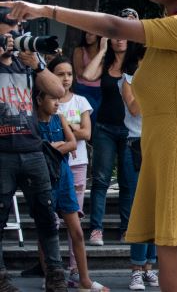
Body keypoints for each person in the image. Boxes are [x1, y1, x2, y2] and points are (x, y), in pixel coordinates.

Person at [0, 0, 177, 292]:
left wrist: (45, 9)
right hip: (162, 153)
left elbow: (113, 26)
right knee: (173, 279)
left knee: (175, 281)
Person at [0, 13, 68, 291]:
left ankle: (55, 273)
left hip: (31, 148)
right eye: (10, 30)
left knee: (45, 214)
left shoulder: (26, 62)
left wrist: (38, 65)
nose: (15, 36)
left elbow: (57, 91)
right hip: (2, 153)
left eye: (18, 30)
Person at [36, 88, 109, 292]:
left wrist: (50, 147)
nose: (57, 103)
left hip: (65, 178)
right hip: (43, 180)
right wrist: (56, 147)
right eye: (52, 98)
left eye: (59, 99)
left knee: (76, 230)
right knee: (47, 230)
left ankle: (84, 279)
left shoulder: (59, 118)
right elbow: (34, 149)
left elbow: (73, 144)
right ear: (39, 99)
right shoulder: (32, 122)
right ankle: (50, 275)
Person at [84, 28, 135, 246]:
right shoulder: (105, 63)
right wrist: (102, 48)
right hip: (104, 127)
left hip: (129, 131)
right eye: (115, 36)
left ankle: (126, 229)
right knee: (100, 180)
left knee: (127, 181)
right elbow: (87, 75)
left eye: (123, 35)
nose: (119, 39)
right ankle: (96, 229)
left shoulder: (137, 64)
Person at [117, 42, 159, 291]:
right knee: (139, 207)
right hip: (136, 144)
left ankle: (149, 267)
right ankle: (135, 268)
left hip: (159, 143)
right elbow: (134, 108)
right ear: (140, 59)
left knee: (156, 208)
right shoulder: (129, 80)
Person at [48, 56, 93, 283]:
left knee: (74, 219)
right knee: (50, 220)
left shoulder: (81, 101)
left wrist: (65, 129)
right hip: (51, 165)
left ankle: (76, 268)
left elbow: (87, 134)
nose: (65, 79)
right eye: (59, 74)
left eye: (68, 74)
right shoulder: (45, 102)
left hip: (77, 165)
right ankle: (51, 270)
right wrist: (73, 130)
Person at [72, 31, 103, 124]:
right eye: (86, 33)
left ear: (98, 35)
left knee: (101, 116)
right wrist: (95, 74)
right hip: (83, 89)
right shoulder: (80, 50)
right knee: (92, 114)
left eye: (91, 33)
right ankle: (88, 136)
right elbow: (80, 72)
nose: (87, 36)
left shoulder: (104, 51)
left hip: (101, 89)